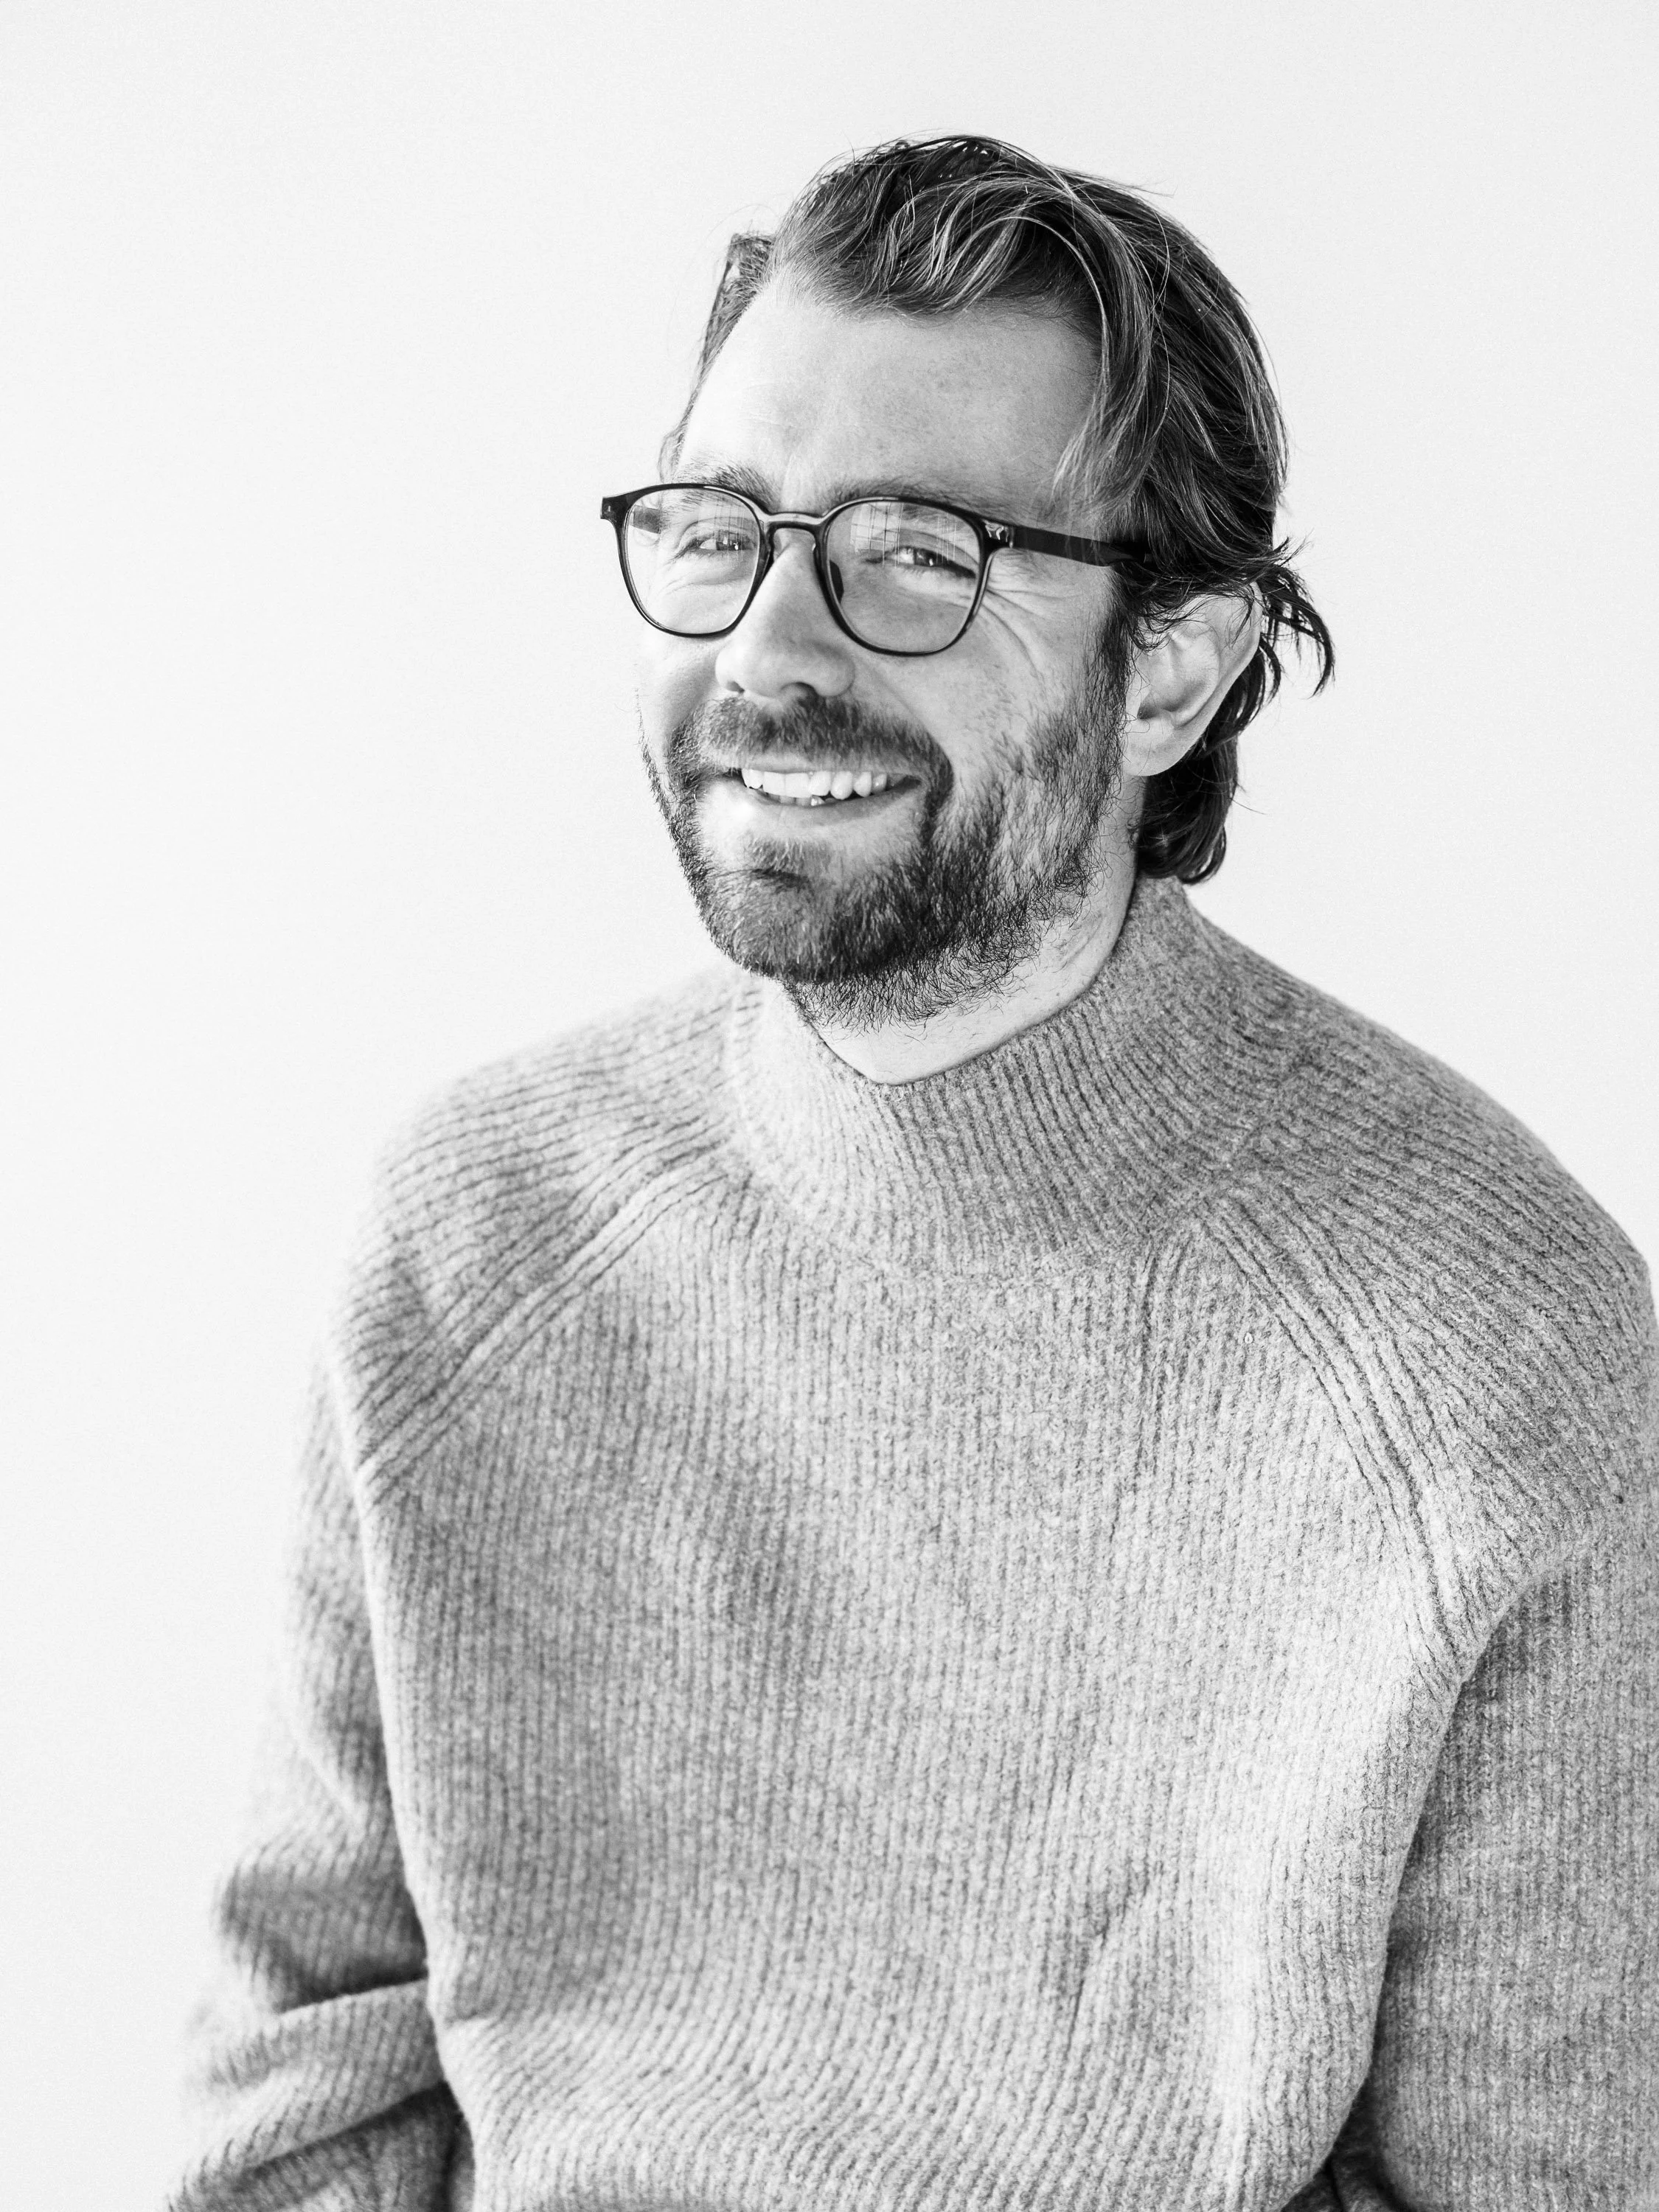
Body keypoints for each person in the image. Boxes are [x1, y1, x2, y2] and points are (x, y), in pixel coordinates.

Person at [170, 136, 1658, 2211]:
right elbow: (307, 2091)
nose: (771, 654)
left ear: (1174, 670)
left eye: (915, 551)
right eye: (722, 531)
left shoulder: (1502, 1356)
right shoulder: (472, 1234)